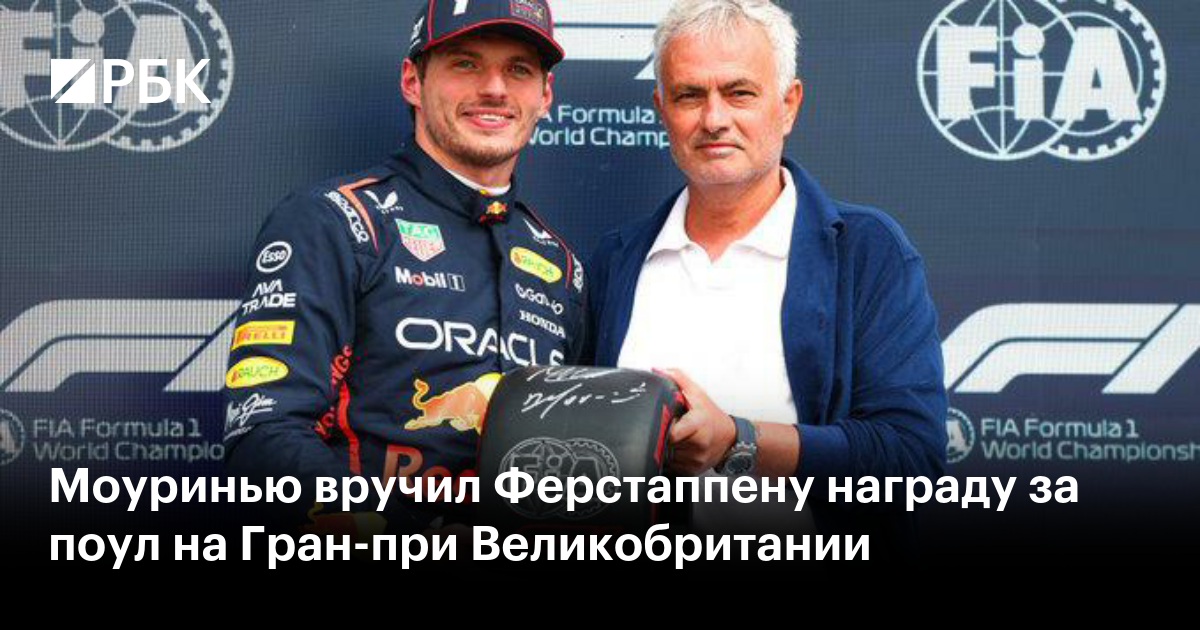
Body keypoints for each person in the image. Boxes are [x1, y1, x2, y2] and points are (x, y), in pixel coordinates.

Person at [586, 0, 947, 559]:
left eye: (739, 93)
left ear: (788, 105)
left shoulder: (866, 252)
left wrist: (740, 440)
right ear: (661, 109)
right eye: (689, 95)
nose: (713, 119)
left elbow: (910, 461)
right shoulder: (617, 261)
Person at [222, 0, 587, 539]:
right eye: (466, 63)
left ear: (545, 95)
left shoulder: (561, 265)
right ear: (413, 82)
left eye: (518, 69)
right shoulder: (336, 221)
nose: (494, 88)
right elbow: (262, 431)